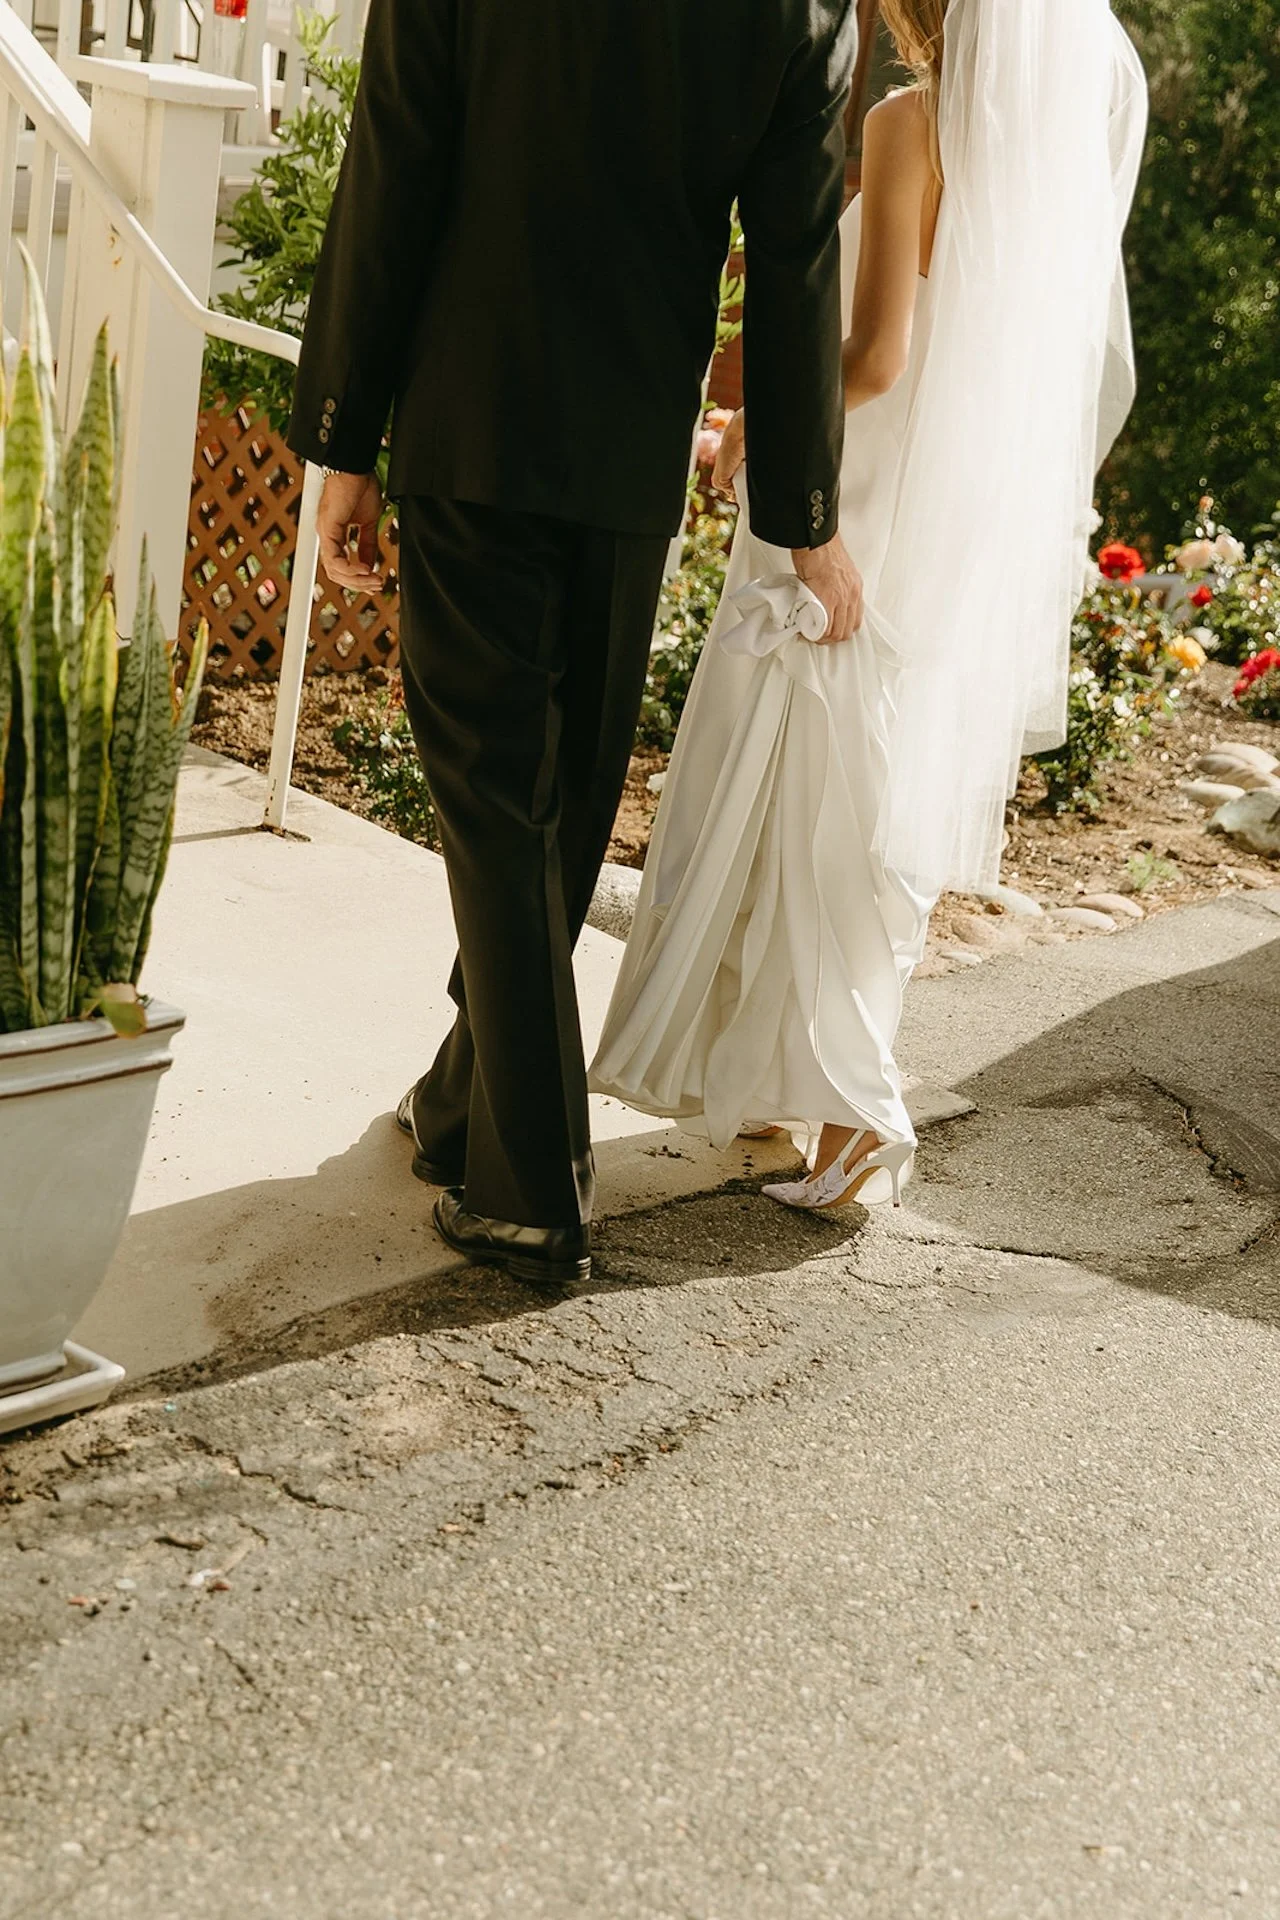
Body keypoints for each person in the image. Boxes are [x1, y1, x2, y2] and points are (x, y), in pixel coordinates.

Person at [287, 1, 862, 1287]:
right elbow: (795, 251)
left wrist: (342, 436)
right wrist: (801, 512)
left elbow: (395, 161)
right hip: (625, 452)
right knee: (557, 803)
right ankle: (459, 1109)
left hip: (468, 414)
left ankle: (530, 1192)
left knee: (500, 801)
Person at [591, 0, 1148, 1212]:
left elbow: (879, 351)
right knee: (859, 797)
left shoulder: (912, 126)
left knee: (811, 784)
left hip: (858, 483)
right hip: (937, 508)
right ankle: (795, 1086)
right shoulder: (1044, 149)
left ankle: (853, 1108)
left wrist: (756, 421)